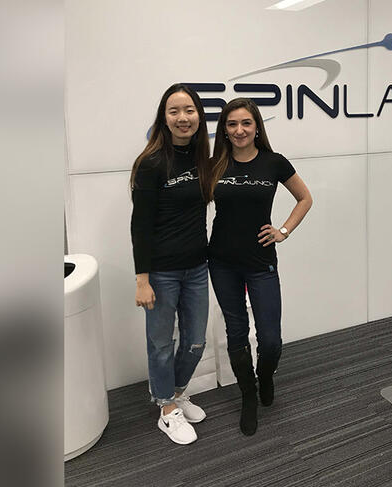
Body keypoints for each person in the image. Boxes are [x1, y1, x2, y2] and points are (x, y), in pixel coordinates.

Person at [203, 98, 313, 436]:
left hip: (261, 262)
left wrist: (283, 231)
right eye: (232, 124)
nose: (239, 130)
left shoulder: (273, 162)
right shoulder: (213, 165)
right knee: (236, 333)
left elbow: (305, 198)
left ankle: (264, 376)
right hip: (221, 262)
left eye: (246, 123)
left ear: (256, 127)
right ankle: (248, 394)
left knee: (271, 341)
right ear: (224, 128)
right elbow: (190, 207)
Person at [130, 84, 212, 445]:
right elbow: (140, 225)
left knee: (194, 342)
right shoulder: (150, 163)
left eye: (189, 110)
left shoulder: (203, 159)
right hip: (161, 273)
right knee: (161, 343)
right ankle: (166, 408)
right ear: (164, 118)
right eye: (174, 111)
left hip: (197, 268)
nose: (183, 118)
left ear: (199, 115)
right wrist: (142, 279)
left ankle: (175, 392)